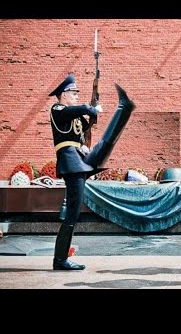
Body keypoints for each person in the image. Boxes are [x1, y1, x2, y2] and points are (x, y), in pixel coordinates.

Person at [49, 73, 135, 270]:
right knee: (72, 213)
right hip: (71, 163)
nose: (77, 95)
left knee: (74, 212)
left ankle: (124, 108)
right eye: (74, 92)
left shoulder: (72, 114)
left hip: (79, 161)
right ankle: (60, 260)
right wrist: (90, 108)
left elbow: (86, 125)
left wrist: (94, 113)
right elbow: (82, 110)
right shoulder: (58, 109)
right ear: (63, 94)